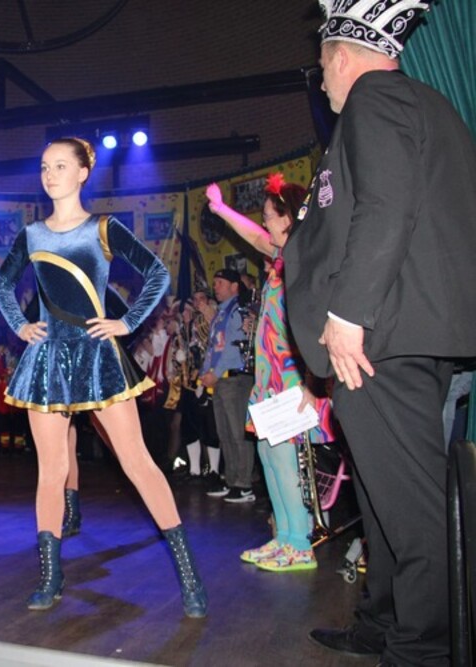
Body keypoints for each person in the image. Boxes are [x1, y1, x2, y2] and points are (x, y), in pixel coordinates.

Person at [284, 3, 476, 663]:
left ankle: (424, 646)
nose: (322, 83)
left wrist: (348, 314)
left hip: (378, 335)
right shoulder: (428, 106)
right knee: (380, 492)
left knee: (411, 503)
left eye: (321, 69)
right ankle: (382, 621)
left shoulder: (376, 97)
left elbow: (386, 206)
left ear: (341, 55)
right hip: (400, 330)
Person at [0, 137, 206, 618]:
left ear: (83, 172)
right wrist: (20, 324)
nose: (50, 174)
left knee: (137, 462)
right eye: (44, 167)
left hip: (97, 357)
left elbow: (157, 274)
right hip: (47, 360)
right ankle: (50, 575)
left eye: (60, 166)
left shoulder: (103, 228)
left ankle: (189, 575)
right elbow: (1, 283)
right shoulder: (32, 235)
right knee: (51, 471)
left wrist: (127, 322)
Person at [206, 174, 335, 571]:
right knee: (268, 453)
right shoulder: (281, 262)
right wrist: (221, 209)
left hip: (293, 377)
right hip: (270, 378)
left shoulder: (303, 258)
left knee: (283, 457)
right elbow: (255, 237)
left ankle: (300, 543)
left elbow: (315, 324)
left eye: (268, 216)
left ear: (288, 219)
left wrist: (313, 383)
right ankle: (284, 537)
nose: (263, 224)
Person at [199, 268, 255, 503]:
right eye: (215, 283)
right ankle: (231, 479)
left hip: (234, 378)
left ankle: (244, 484)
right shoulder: (221, 313)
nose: (216, 287)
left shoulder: (238, 310)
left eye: (220, 283)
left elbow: (234, 347)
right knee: (224, 433)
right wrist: (205, 372)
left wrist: (216, 372)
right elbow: (214, 347)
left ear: (234, 286)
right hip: (221, 380)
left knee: (237, 432)